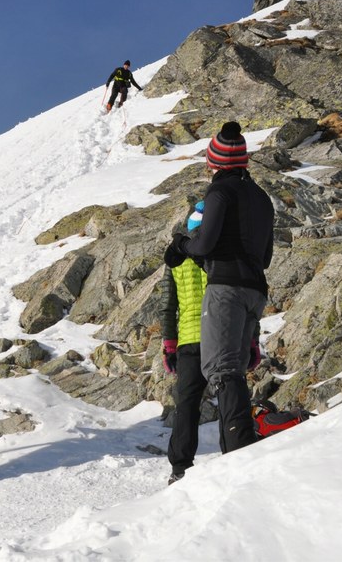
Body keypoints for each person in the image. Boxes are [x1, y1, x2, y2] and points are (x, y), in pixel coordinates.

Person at [167, 121, 273, 454]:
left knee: (220, 368)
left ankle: (239, 448)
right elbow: (266, 256)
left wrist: (182, 245)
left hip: (226, 286)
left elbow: (204, 245)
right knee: (235, 369)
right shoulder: (261, 197)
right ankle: (243, 442)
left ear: (217, 162)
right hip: (256, 289)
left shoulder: (220, 191)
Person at [159, 201, 208, 484]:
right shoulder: (221, 254)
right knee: (229, 397)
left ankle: (180, 468)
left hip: (188, 342)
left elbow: (168, 307)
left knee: (187, 404)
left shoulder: (175, 263)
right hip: (220, 336)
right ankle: (236, 456)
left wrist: (169, 344)